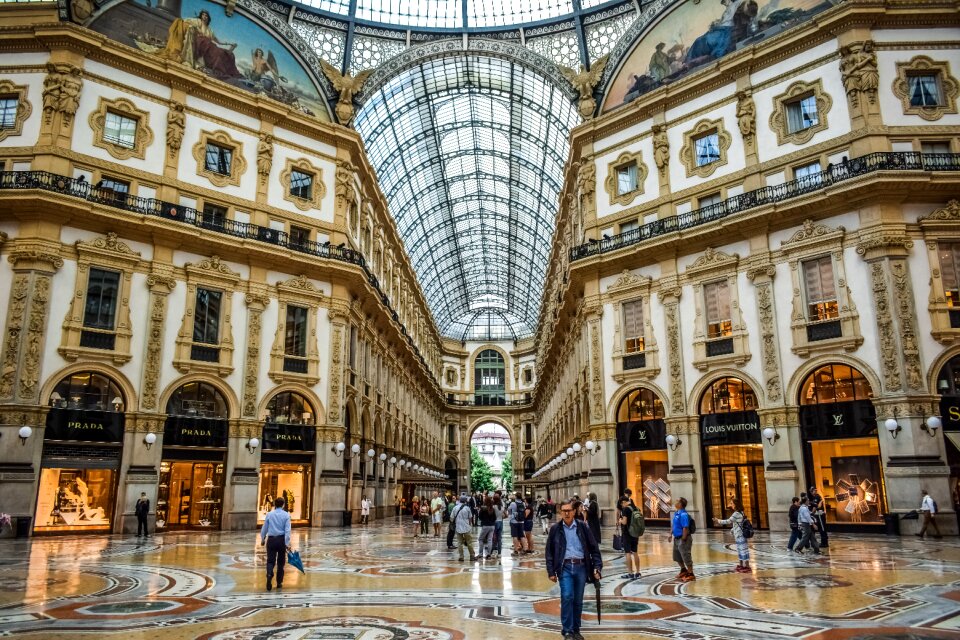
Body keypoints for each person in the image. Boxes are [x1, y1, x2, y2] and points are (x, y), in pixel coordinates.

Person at [546, 498, 603, 640]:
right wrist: (551, 571)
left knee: (577, 600)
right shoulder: (555, 529)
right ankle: (567, 630)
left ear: (573, 511)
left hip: (581, 567)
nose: (566, 514)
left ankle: (576, 629)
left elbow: (593, 548)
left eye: (569, 511)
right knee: (567, 596)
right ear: (560, 512)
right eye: (564, 511)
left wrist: (597, 566)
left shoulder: (582, 527)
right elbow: (549, 552)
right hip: (565, 567)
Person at [260, 496, 291, 591]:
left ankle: (269, 574)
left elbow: (265, 527)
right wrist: (287, 543)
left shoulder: (269, 514)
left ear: (274, 504)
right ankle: (279, 583)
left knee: (270, 560)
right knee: (281, 563)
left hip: (271, 540)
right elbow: (287, 531)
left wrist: (263, 538)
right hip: (281, 540)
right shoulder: (286, 515)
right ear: (283, 505)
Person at [714, 498, 751, 573]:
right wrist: (732, 530)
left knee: (742, 550)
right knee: (741, 550)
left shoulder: (736, 514)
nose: (731, 505)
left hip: (740, 535)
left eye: (732, 503)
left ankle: (746, 566)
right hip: (739, 534)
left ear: (736, 504)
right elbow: (737, 524)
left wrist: (718, 521)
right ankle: (741, 565)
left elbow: (728, 521)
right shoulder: (741, 512)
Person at [671, 497, 695, 581]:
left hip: (683, 538)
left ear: (680, 504)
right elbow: (674, 525)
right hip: (676, 538)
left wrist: (683, 538)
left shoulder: (683, 514)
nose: (675, 502)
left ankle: (690, 573)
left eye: (677, 501)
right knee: (677, 556)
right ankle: (683, 570)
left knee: (686, 555)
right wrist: (671, 534)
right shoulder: (676, 513)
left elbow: (685, 527)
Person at [618, 496, 640, 579]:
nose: (622, 506)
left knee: (628, 553)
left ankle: (630, 573)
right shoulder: (636, 508)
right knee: (635, 552)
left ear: (623, 502)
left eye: (621, 504)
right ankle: (638, 572)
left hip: (627, 534)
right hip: (635, 533)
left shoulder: (626, 509)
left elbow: (624, 522)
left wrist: (620, 520)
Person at [452, 495, 477, 562]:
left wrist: (455, 521)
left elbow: (451, 518)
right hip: (466, 527)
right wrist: (470, 525)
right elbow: (470, 518)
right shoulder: (467, 508)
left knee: (459, 543)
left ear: (459, 500)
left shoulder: (455, 508)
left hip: (458, 527)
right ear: (465, 501)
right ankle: (472, 556)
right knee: (469, 542)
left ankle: (461, 557)